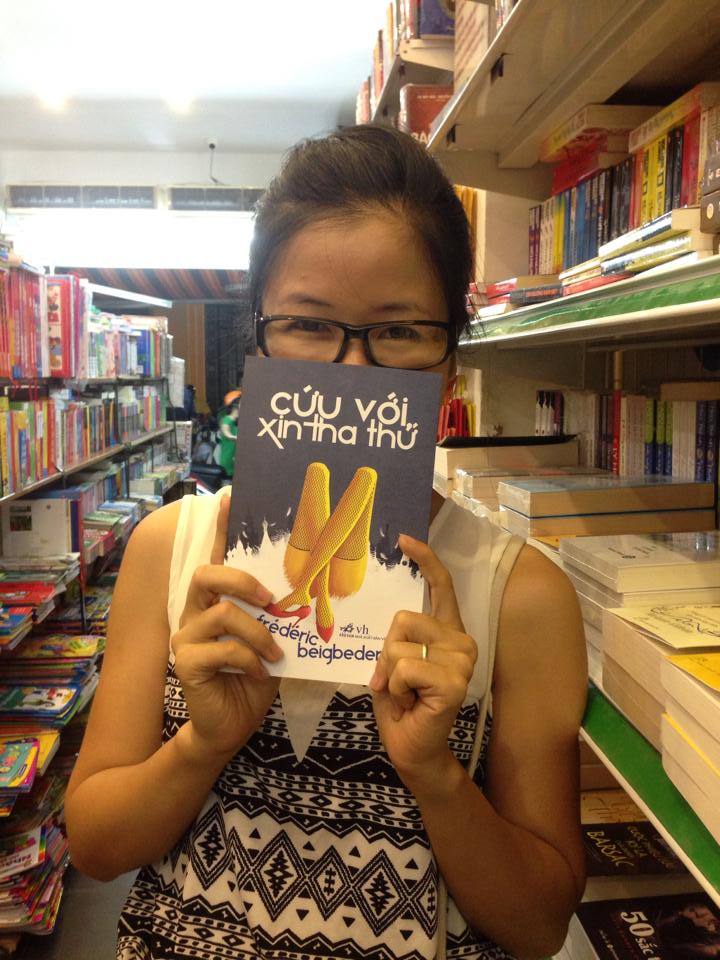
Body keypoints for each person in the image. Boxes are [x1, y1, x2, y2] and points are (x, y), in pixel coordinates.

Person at [64, 125, 587, 960]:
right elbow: (94, 847)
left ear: (450, 361)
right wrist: (202, 743)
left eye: (400, 330)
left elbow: (540, 925)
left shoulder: (519, 593)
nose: (352, 371)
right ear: (259, 339)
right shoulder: (173, 547)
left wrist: (436, 773)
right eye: (308, 325)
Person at [218, 392, 241, 477]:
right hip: (228, 461)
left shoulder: (239, 421)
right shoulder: (227, 419)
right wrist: (233, 437)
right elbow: (225, 430)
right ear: (235, 406)